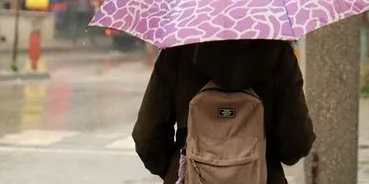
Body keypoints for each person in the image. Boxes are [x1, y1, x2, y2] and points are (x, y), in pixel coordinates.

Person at [132, 39, 316, 184]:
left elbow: (146, 138)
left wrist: (178, 168)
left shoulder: (176, 53)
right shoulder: (279, 54)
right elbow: (297, 142)